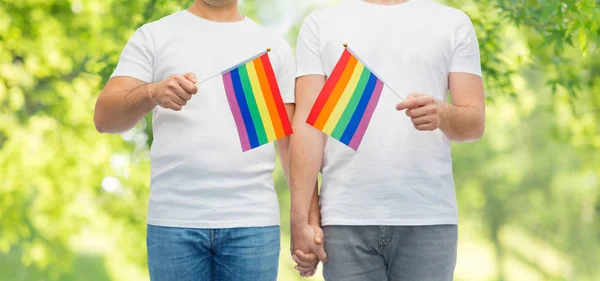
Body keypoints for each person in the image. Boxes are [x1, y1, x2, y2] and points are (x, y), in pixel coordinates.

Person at [93, 1, 297, 280]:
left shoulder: (273, 48)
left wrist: (304, 219)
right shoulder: (154, 35)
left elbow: (289, 145)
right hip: (174, 223)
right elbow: (104, 117)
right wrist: (152, 92)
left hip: (253, 224)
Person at [289, 0, 486, 280]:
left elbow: (474, 124)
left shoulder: (454, 23)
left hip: (427, 218)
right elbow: (307, 127)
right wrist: (301, 218)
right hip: (344, 219)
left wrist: (443, 114)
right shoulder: (320, 24)